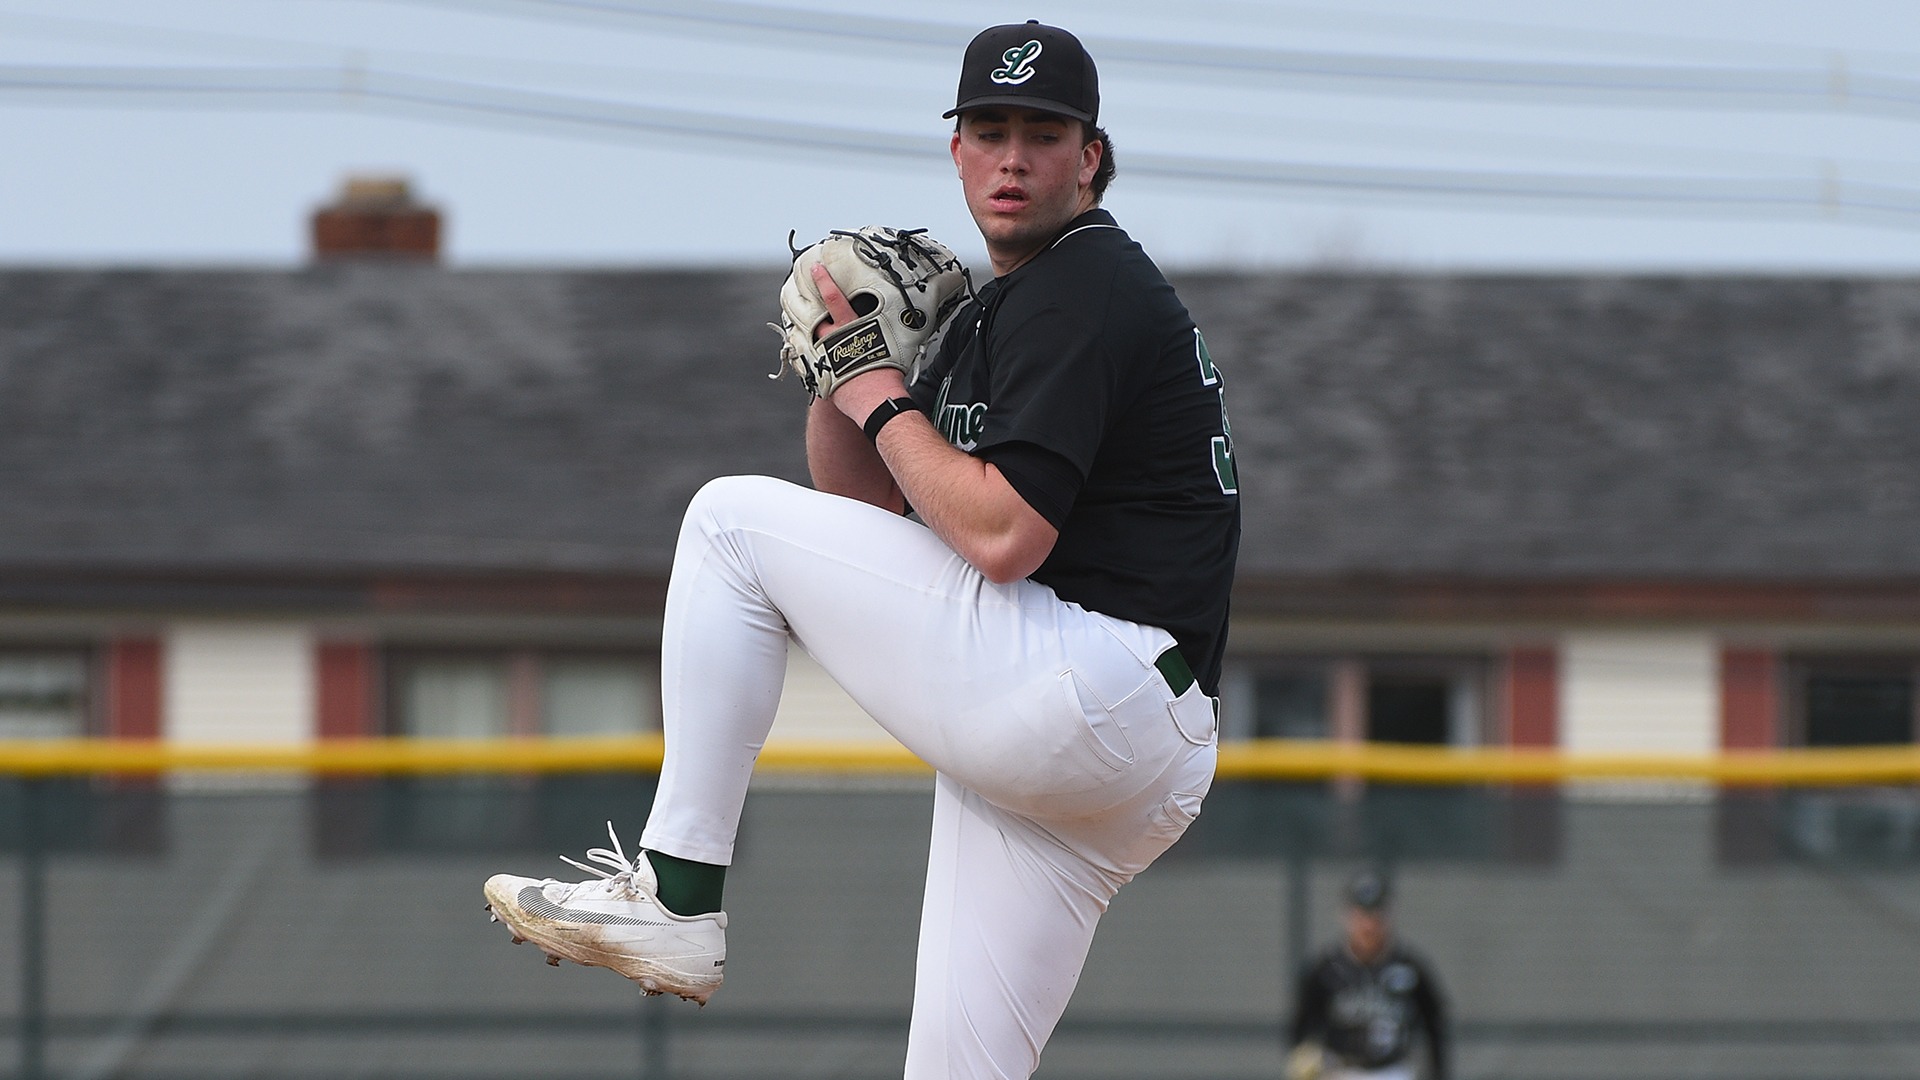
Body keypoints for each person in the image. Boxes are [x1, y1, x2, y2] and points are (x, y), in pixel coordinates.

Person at [483, 20, 1240, 1078]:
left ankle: (677, 895)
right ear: (957, 150)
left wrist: (881, 393)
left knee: (726, 524)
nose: (1013, 156)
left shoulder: (1083, 287)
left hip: (1090, 682)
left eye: (1042, 131)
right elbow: (881, 520)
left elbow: (1004, 536)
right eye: (990, 129)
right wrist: (844, 384)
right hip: (1108, 734)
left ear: (1092, 157)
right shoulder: (1001, 311)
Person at [1287, 871, 1450, 1080]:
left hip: (1393, 1071)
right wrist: (1301, 1059)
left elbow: (1434, 1024)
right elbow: (1302, 1025)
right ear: (1346, 916)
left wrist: (1438, 1073)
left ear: (1389, 916)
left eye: (1376, 915)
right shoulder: (1326, 969)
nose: (1369, 925)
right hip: (1340, 1071)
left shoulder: (1410, 968)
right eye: (1361, 915)